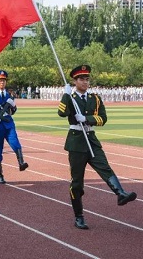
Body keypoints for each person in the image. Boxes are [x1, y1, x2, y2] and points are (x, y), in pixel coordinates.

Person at [58, 65, 137, 230]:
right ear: (75, 81)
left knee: (104, 167)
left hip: (91, 138)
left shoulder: (95, 98)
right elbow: (62, 113)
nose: (85, 82)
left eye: (87, 79)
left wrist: (86, 118)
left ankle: (120, 193)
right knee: (77, 182)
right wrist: (66, 95)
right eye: (81, 79)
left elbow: (103, 118)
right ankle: (79, 217)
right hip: (76, 142)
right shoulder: (70, 97)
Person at [0, 70, 28, 184]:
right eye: (0, 80)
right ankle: (0, 174)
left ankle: (21, 163)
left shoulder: (9, 95)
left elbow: (12, 111)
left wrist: (13, 106)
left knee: (15, 143)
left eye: (4, 80)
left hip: (8, 123)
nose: (2, 82)